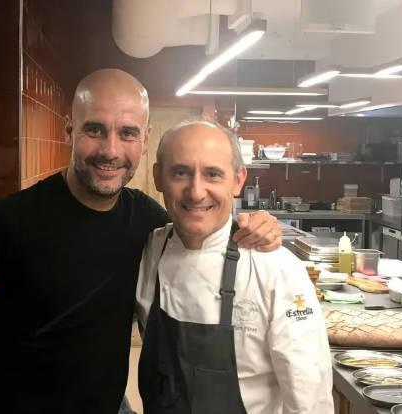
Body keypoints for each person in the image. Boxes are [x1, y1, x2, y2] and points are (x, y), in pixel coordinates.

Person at [0, 69, 283, 414]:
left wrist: (254, 226)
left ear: (145, 139)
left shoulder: (148, 221)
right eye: (95, 129)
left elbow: (204, 232)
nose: (110, 150)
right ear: (69, 130)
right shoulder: (5, 223)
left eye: (127, 133)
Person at [136, 119, 334, 414]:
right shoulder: (149, 250)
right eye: (180, 172)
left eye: (213, 174)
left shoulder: (276, 269)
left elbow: (309, 399)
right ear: (158, 177)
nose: (196, 192)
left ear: (238, 180)